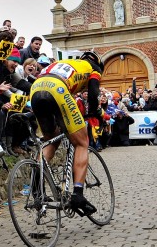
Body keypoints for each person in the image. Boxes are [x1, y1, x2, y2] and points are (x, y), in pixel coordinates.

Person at [29, 50, 104, 217]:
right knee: (82, 142)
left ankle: (37, 188)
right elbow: (93, 94)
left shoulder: (63, 64)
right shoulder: (93, 69)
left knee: (51, 140)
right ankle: (78, 194)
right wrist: (96, 113)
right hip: (58, 89)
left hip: (36, 88)